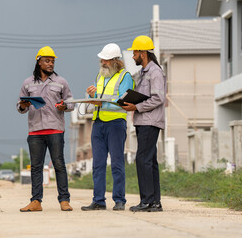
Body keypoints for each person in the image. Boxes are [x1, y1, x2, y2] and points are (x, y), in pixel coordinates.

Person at [17, 46, 74, 212]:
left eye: (53, 61)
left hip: (55, 129)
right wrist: (23, 104)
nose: (51, 64)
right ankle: (36, 201)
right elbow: (20, 107)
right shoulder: (27, 83)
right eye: (47, 61)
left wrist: (65, 106)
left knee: (59, 164)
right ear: (39, 62)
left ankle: (64, 200)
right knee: (36, 166)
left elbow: (71, 102)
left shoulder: (61, 82)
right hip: (35, 131)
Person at [81, 43, 134, 211]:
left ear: (116, 61)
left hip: (116, 124)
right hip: (98, 123)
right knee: (98, 164)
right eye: (102, 59)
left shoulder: (125, 76)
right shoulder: (100, 75)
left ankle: (119, 200)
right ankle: (98, 201)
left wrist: (99, 100)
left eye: (106, 60)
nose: (103, 62)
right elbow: (100, 97)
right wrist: (92, 95)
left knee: (117, 162)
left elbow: (123, 102)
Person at [122, 35, 166, 212]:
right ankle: (155, 202)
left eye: (135, 53)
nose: (133, 57)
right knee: (150, 161)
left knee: (142, 159)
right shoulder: (143, 73)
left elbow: (158, 98)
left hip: (150, 122)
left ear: (143, 53)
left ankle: (147, 201)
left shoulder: (155, 72)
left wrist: (136, 106)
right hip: (143, 121)